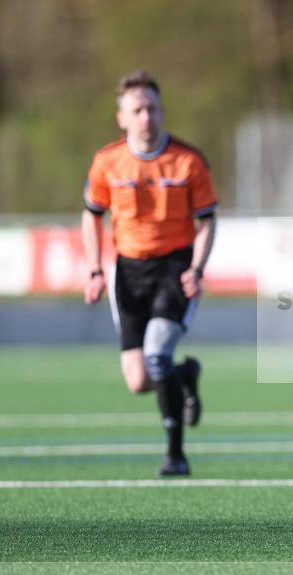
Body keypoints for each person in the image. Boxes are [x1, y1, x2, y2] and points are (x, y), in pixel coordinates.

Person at [81, 69, 218, 477]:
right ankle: (186, 375)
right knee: (139, 379)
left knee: (157, 353)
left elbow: (208, 220)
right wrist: (94, 270)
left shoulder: (188, 160)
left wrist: (197, 267)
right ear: (122, 117)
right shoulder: (107, 161)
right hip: (127, 271)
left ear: (161, 111)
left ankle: (175, 455)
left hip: (175, 268)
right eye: (137, 110)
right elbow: (91, 215)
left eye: (152, 108)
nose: (146, 116)